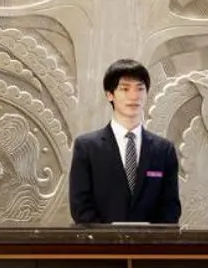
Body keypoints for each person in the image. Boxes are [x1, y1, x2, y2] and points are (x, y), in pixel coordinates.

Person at [68, 58, 181, 225]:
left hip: (150, 248)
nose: (133, 96)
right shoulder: (86, 147)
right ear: (110, 94)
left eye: (140, 88)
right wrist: (109, 241)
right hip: (102, 247)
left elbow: (171, 207)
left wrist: (149, 240)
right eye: (125, 89)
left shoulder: (164, 150)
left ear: (147, 93)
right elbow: (80, 206)